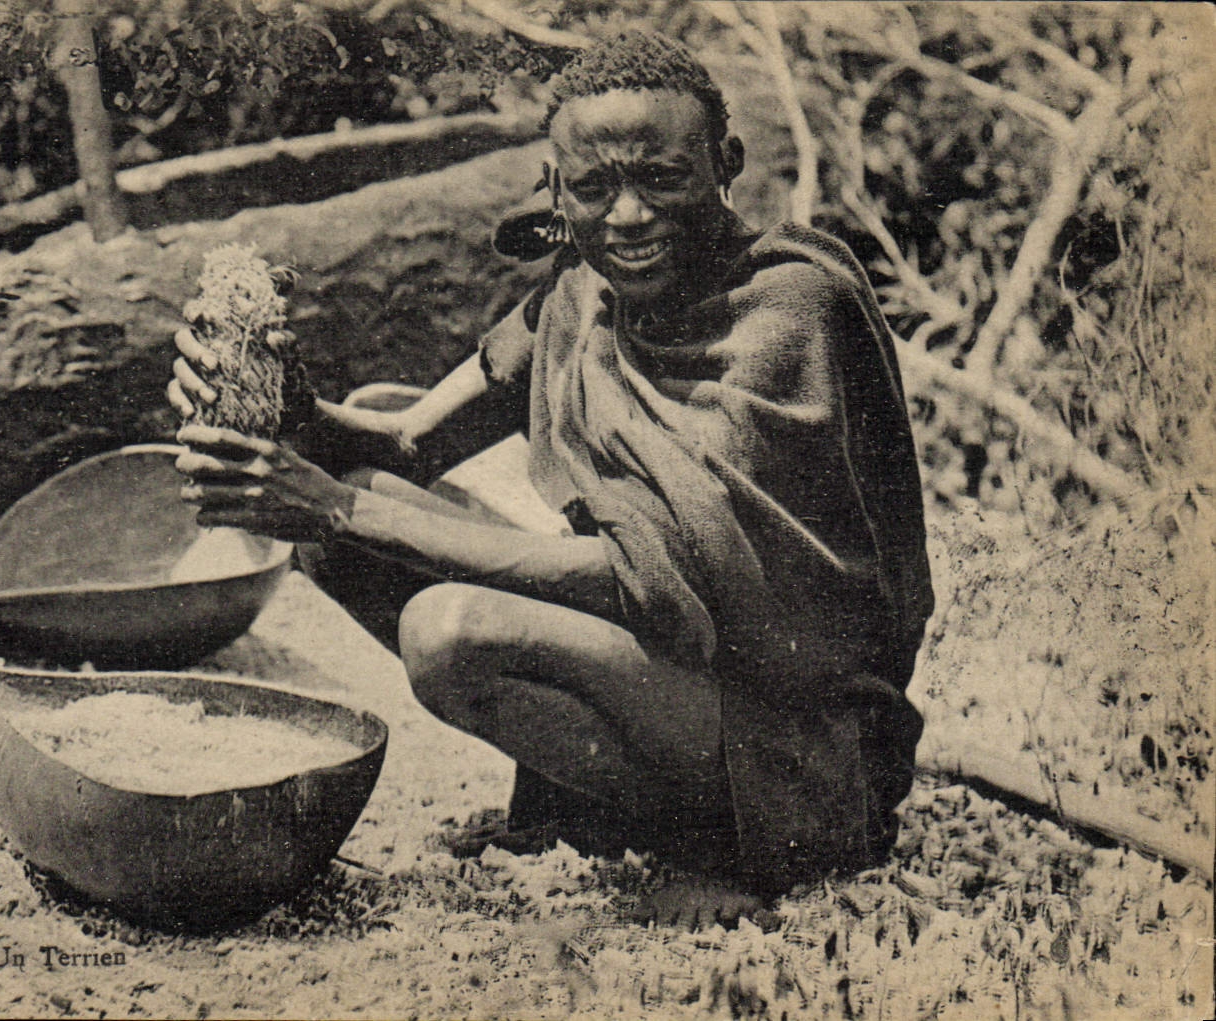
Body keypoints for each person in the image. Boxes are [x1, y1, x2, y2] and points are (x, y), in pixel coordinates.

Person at [167, 31, 933, 929]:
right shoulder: (583, 292)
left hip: (802, 747)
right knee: (339, 528)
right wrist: (279, 401)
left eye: (662, 178)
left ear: (724, 164)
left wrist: (337, 505)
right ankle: (591, 809)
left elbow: (649, 579)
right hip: (677, 681)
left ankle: (723, 850)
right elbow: (405, 441)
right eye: (594, 188)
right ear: (555, 186)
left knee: (447, 629)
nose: (629, 216)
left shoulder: (787, 310)